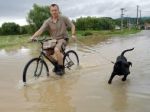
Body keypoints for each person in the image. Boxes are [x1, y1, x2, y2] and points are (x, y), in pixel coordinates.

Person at [30, 4, 76, 75]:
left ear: (58, 10)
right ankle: (57, 64)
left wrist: (73, 34)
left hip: (63, 39)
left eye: (55, 10)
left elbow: (72, 26)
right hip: (54, 40)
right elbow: (40, 30)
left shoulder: (64, 18)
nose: (54, 12)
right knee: (45, 53)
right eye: (52, 10)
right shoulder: (48, 21)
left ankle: (61, 68)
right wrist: (33, 37)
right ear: (50, 11)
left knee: (56, 50)